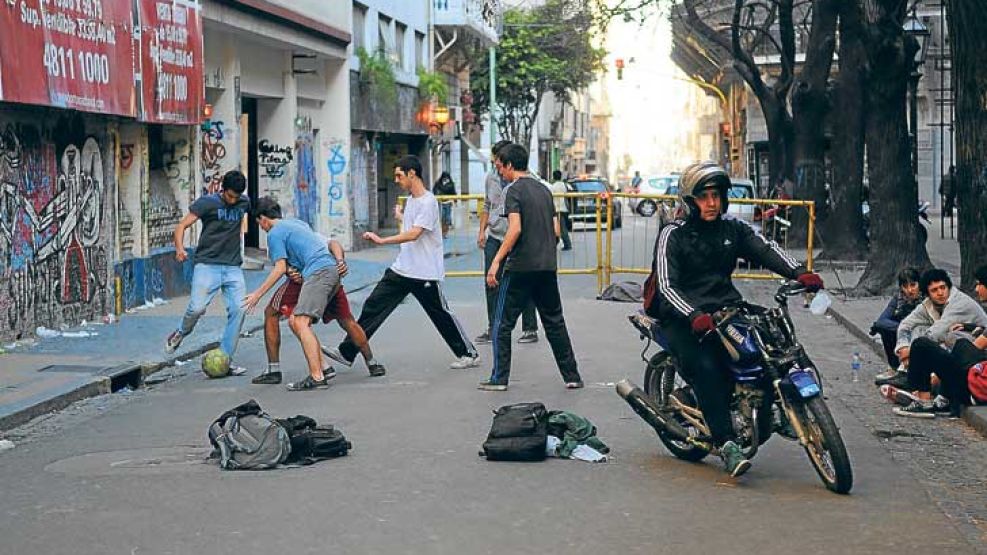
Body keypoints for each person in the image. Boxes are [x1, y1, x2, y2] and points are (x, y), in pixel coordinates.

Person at [645, 161, 823, 478]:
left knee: (775, 341)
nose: (712, 203)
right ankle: (726, 442)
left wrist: (799, 272)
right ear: (689, 200)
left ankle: (783, 406)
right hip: (683, 315)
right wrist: (693, 315)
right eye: (704, 197)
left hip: (725, 307)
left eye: (717, 196)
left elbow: (766, 249)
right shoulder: (673, 235)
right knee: (708, 367)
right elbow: (667, 286)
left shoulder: (732, 229)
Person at [323, 155, 480, 370]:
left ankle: (468, 353)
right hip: (402, 269)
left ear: (412, 173)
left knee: (440, 314)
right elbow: (412, 225)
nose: (396, 180)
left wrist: (382, 240)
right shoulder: (413, 201)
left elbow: (415, 233)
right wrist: (400, 216)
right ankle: (347, 351)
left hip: (424, 272)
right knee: (373, 306)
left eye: (399, 175)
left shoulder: (428, 201)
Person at [479, 143, 583, 392]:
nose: (499, 172)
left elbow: (514, 229)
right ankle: (572, 376)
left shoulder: (512, 191)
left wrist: (496, 261)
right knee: (555, 321)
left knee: (502, 322)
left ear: (510, 165)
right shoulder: (545, 190)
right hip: (546, 265)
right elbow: (555, 229)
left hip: (520, 267)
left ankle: (499, 378)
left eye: (500, 166)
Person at [252, 236, 386, 386]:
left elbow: (281, 266)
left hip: (310, 280)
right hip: (330, 277)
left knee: (285, 317)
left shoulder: (281, 235)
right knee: (346, 320)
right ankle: (372, 363)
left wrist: (287, 272)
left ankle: (278, 370)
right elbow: (333, 243)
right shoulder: (307, 235)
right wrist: (339, 261)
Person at [243, 197, 345, 390]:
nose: (262, 229)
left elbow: (279, 268)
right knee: (296, 322)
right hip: (329, 271)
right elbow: (304, 250)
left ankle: (317, 377)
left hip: (318, 273)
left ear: (263, 219)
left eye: (259, 224)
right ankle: (324, 367)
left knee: (299, 322)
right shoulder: (296, 223)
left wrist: (257, 294)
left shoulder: (274, 233)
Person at [166, 170, 251, 363]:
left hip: (233, 267)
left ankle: (224, 358)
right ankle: (180, 332)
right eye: (230, 196)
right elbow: (181, 226)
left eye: (236, 197)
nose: (232, 200)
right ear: (223, 189)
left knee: (239, 310)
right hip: (207, 265)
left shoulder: (244, 203)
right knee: (197, 308)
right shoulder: (207, 203)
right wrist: (179, 248)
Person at [892, 268, 987, 416]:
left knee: (923, 344)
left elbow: (975, 349)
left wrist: (911, 353)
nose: (976, 289)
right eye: (935, 290)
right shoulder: (928, 304)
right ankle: (937, 396)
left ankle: (923, 394)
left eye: (979, 284)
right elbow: (905, 325)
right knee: (933, 337)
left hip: (975, 382)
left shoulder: (960, 303)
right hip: (971, 376)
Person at [475, 140, 539, 345]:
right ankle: (494, 325)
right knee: (491, 281)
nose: (496, 165)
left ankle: (530, 328)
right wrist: (481, 230)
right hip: (496, 235)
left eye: (498, 161)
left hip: (517, 238)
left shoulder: (527, 180)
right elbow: (487, 204)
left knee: (523, 282)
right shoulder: (491, 178)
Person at [871, 268, 923, 381]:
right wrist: (901, 328)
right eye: (906, 286)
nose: (910, 290)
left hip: (921, 334)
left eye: (913, 285)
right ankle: (894, 367)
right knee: (884, 329)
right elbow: (883, 320)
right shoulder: (898, 299)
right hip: (903, 334)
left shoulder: (926, 299)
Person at [550, 170, 572, 251]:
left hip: (557, 209)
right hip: (564, 209)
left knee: (561, 228)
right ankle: (557, 242)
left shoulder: (553, 186)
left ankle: (567, 244)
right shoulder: (564, 185)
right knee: (561, 227)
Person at [433, 171, 456, 238]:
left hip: (448, 203)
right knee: (443, 219)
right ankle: (442, 232)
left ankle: (445, 233)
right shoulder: (438, 183)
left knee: (447, 219)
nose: (445, 179)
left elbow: (453, 192)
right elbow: (434, 190)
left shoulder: (451, 184)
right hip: (440, 203)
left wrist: (455, 201)